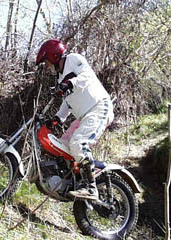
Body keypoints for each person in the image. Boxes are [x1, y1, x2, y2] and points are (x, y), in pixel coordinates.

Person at [36, 39, 114, 200]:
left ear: (54, 55)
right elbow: (68, 101)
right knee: (62, 146)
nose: (46, 66)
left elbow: (87, 76)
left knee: (78, 143)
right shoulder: (60, 78)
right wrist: (58, 118)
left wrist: (69, 83)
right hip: (83, 116)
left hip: (99, 107)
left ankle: (91, 188)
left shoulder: (73, 59)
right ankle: (72, 182)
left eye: (46, 61)